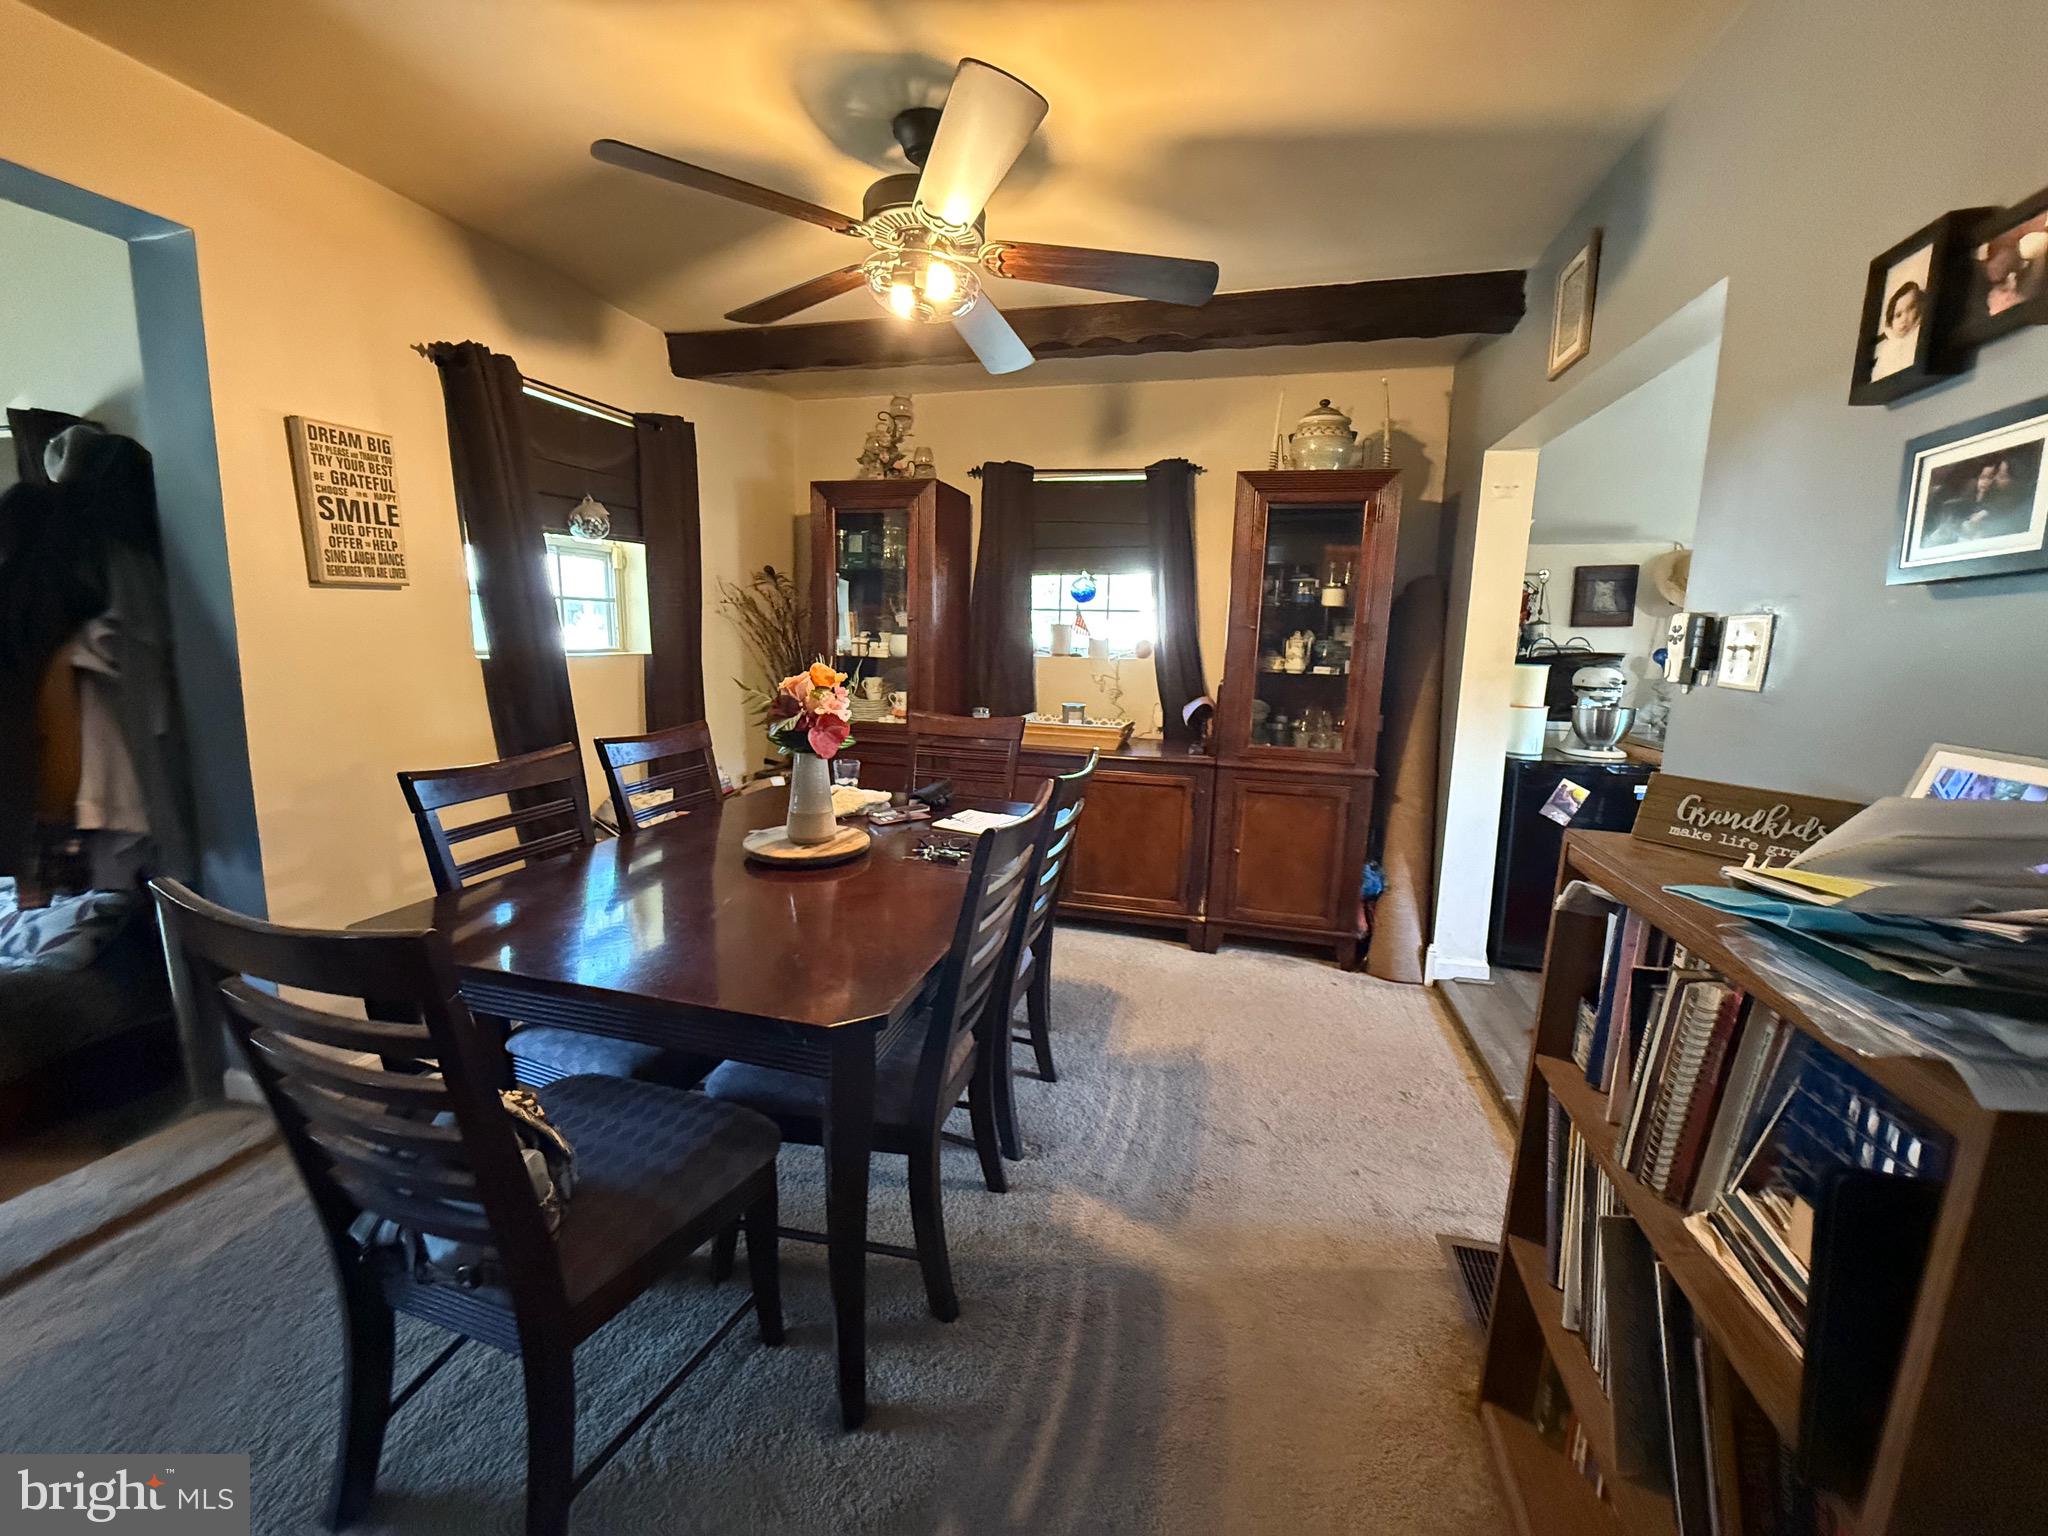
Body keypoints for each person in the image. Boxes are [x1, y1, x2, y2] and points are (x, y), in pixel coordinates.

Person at [1869, 279, 1923, 379]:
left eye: (1911, 308)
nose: (1904, 318)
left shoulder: (1920, 335)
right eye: (1898, 315)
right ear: (1891, 322)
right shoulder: (1887, 351)